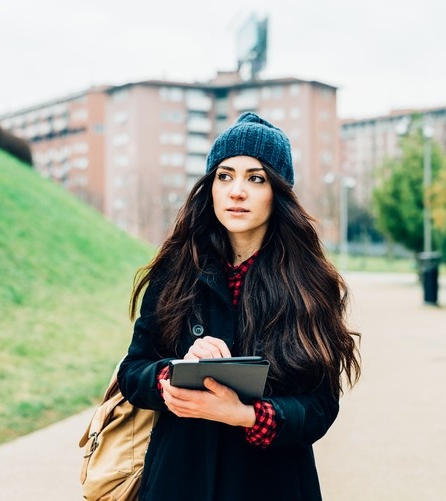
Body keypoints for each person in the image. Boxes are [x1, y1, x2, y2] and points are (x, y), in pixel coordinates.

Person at [118, 112, 361, 501]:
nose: (236, 191)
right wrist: (173, 375)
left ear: (277, 193)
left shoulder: (309, 284)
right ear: (210, 187)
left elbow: (319, 407)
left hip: (271, 484)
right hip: (179, 479)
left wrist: (245, 415)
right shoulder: (175, 271)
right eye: (225, 176)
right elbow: (133, 372)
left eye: (256, 178)